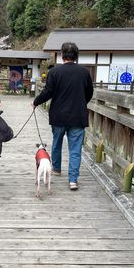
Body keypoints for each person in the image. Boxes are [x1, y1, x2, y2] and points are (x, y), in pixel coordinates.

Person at [33, 42, 93, 190]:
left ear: (62, 55)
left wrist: (36, 102)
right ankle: (73, 180)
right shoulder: (84, 73)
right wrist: (80, 103)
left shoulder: (54, 72)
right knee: (75, 149)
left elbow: (48, 92)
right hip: (77, 116)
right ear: (76, 56)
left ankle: (57, 169)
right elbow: (89, 93)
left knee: (57, 142)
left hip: (58, 115)